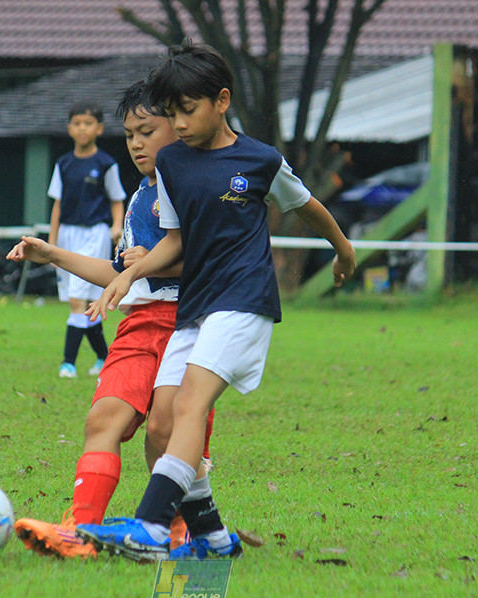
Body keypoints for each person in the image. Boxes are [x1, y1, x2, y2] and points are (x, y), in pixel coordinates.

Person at [75, 42, 357, 561]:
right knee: (161, 426)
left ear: (221, 100)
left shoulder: (259, 159)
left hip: (244, 300)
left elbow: (308, 207)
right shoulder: (175, 164)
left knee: (188, 407)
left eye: (187, 109)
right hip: (195, 307)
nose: (178, 123)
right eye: (172, 113)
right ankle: (214, 538)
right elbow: (175, 240)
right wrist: (127, 274)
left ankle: (151, 528)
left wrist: (343, 250)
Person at [6, 81, 214, 559]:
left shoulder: (204, 188)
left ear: (180, 128)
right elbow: (118, 271)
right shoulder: (142, 198)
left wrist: (154, 262)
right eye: (130, 135)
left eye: (147, 131)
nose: (136, 143)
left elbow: (215, 257)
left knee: (165, 431)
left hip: (193, 325)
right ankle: (79, 531)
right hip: (140, 323)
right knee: (103, 417)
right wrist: (51, 253)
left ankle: (180, 530)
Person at [47, 102, 127, 379]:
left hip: (95, 234)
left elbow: (117, 200)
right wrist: (52, 243)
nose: (82, 128)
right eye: (77, 123)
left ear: (99, 129)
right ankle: (104, 356)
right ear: (70, 128)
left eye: (88, 123)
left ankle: (67, 362)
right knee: (88, 301)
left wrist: (116, 227)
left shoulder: (106, 164)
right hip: (68, 234)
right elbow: (57, 205)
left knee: (77, 300)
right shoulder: (64, 163)